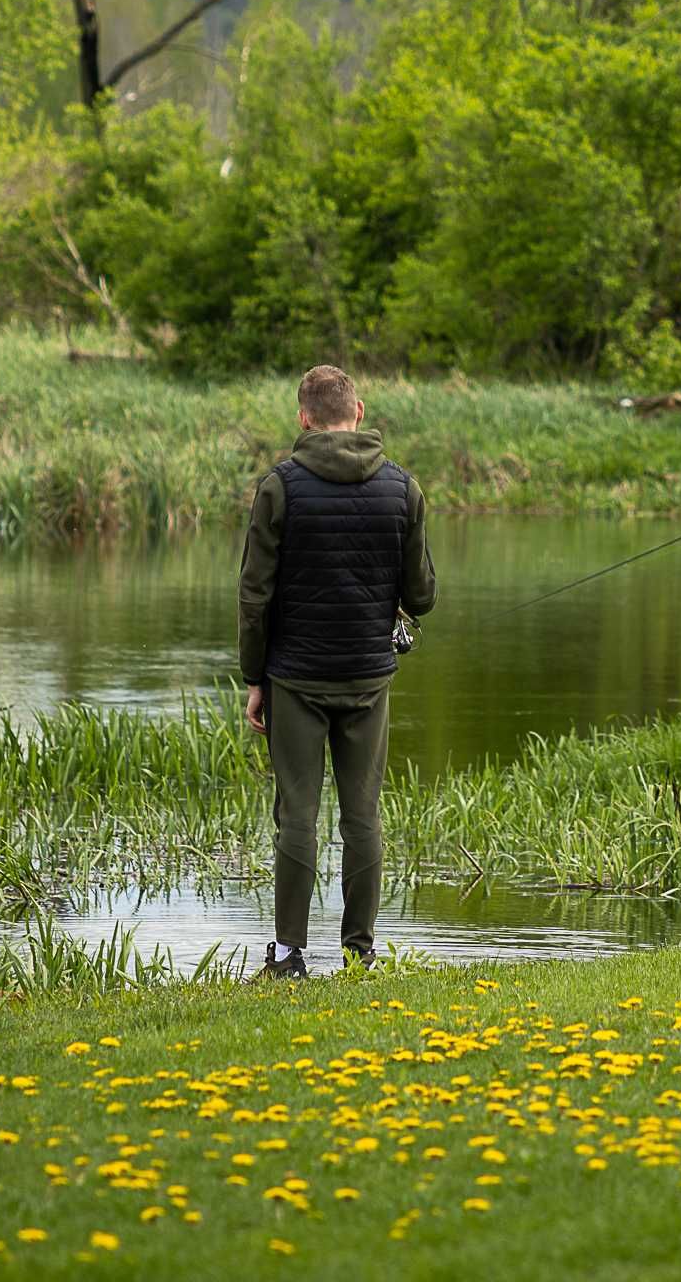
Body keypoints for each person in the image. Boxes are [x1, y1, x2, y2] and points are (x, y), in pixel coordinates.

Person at [238, 362, 437, 980]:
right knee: (363, 814)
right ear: (358, 412)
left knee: (297, 815)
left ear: (304, 418)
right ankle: (360, 950)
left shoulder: (279, 487)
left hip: (295, 678)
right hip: (369, 678)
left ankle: (289, 955)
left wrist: (254, 679)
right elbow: (422, 594)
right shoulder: (403, 489)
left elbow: (254, 595)